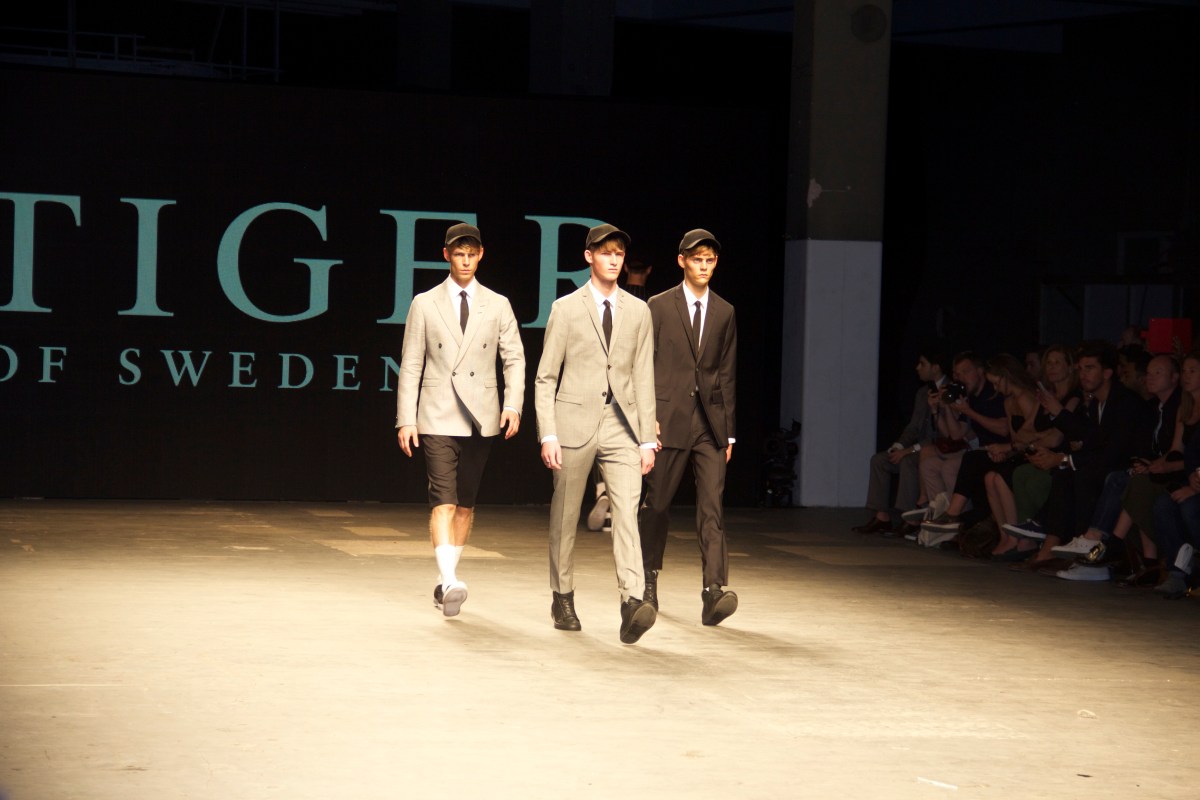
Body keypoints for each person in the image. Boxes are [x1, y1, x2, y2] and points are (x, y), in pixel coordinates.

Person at [534, 223, 658, 644]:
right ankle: (562, 596)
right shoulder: (566, 308)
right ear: (589, 256)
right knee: (565, 514)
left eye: (619, 254)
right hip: (573, 422)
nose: (613, 259)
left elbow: (643, 377)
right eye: (605, 252)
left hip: (622, 425)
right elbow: (546, 377)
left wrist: (646, 438)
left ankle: (632, 600)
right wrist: (548, 433)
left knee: (627, 511)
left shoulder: (638, 311)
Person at [395, 223, 526, 617]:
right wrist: (406, 419)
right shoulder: (425, 303)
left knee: (466, 505)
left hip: (480, 415)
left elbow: (514, 358)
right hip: (437, 412)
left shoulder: (497, 304)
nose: (465, 260)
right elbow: (411, 362)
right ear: (446, 255)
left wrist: (513, 405)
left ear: (480, 255)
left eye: (471, 254)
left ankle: (446, 579)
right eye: (458, 253)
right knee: (444, 501)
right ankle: (451, 580)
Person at [638, 229, 739, 625]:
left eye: (710, 260)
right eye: (697, 259)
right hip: (668, 420)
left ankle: (714, 590)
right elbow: (644, 364)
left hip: (710, 425)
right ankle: (647, 579)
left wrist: (728, 431)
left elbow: (726, 373)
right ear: (682, 261)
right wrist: (647, 419)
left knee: (712, 507)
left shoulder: (725, 311)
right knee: (658, 504)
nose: (704, 266)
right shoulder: (659, 306)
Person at [853, 350, 946, 535]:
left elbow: (941, 434)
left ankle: (910, 518)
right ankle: (882, 517)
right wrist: (899, 445)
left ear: (935, 367)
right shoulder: (922, 392)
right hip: (917, 447)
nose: (917, 368)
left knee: (908, 461)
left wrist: (909, 450)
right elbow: (913, 427)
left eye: (922, 364)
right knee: (880, 460)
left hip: (937, 449)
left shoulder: (949, 391)